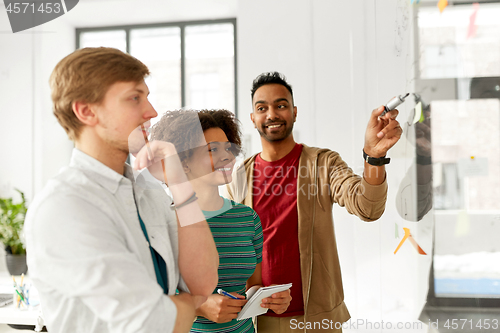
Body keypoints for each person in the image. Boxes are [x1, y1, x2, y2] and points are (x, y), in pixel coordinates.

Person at [24, 47, 219, 333]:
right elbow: (154, 322)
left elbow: (203, 283)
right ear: (86, 111)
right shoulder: (66, 206)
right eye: (134, 98)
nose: (151, 112)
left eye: (147, 97)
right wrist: (189, 304)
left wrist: (178, 181)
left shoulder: (149, 193)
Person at [224, 72, 403, 332]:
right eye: (262, 108)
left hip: (318, 319)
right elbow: (233, 250)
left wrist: (373, 157)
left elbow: (368, 207)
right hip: (257, 320)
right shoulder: (238, 176)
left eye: (281, 105)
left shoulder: (323, 163)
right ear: (253, 118)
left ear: (294, 112)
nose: (272, 114)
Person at [150, 109, 291, 333]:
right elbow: (148, 298)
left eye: (228, 147)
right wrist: (200, 306)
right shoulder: (162, 221)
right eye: (212, 149)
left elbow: (252, 284)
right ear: (183, 162)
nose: (227, 156)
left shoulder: (247, 219)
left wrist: (269, 299)